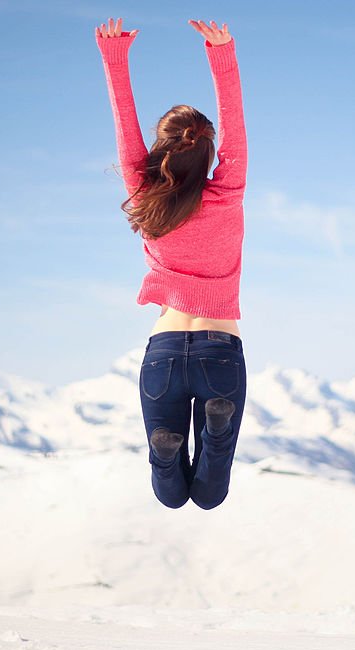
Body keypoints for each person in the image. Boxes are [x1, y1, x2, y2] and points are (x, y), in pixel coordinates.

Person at [95, 17, 248, 510]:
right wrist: (221, 53)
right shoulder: (227, 195)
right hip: (220, 349)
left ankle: (166, 457)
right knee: (210, 493)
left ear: (162, 149)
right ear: (207, 151)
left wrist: (115, 57)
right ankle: (216, 433)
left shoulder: (145, 197)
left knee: (171, 496)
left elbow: (124, 127)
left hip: (163, 350)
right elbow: (237, 130)